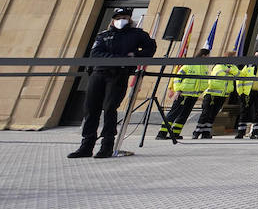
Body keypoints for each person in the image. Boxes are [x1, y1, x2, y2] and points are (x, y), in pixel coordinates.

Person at [68, 8, 158, 158]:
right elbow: (95, 53)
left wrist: (134, 55)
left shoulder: (137, 34)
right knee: (91, 109)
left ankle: (107, 145)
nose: (121, 20)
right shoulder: (104, 35)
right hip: (98, 74)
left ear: (129, 19)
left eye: (124, 17)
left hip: (118, 75)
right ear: (113, 19)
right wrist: (116, 57)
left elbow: (150, 48)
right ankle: (86, 145)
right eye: (118, 17)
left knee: (110, 108)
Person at [157, 47, 211, 142]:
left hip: (193, 96)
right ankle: (162, 133)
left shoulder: (205, 68)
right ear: (204, 55)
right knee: (173, 114)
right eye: (208, 56)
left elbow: (205, 82)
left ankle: (175, 133)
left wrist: (201, 91)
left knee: (184, 115)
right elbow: (177, 78)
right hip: (183, 95)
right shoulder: (188, 65)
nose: (209, 58)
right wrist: (177, 90)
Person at [191, 56, 236, 139]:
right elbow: (221, 74)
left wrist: (231, 71)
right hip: (212, 94)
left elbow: (238, 73)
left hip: (222, 95)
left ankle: (206, 132)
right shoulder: (219, 66)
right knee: (206, 113)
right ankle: (197, 132)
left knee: (213, 114)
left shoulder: (232, 67)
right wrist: (230, 72)